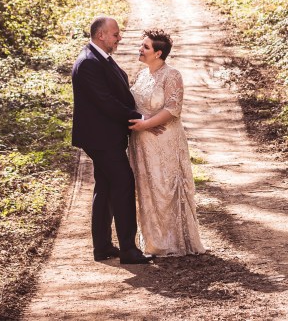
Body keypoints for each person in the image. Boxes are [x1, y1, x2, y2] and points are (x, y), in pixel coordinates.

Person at [71, 16, 154, 265]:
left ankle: (103, 247)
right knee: (124, 183)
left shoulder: (100, 57)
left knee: (106, 187)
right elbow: (106, 102)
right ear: (101, 35)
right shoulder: (88, 62)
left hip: (106, 136)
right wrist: (139, 118)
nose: (119, 38)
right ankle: (128, 249)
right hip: (101, 138)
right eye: (115, 34)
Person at [127, 29, 206, 256]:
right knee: (147, 187)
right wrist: (141, 124)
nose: (140, 49)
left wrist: (147, 124)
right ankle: (154, 242)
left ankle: (174, 241)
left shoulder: (172, 75)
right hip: (141, 142)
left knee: (165, 186)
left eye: (145, 47)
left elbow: (173, 109)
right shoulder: (142, 75)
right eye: (142, 45)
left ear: (158, 53)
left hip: (165, 140)